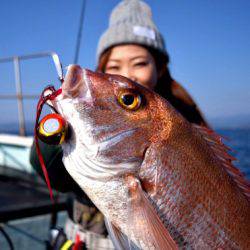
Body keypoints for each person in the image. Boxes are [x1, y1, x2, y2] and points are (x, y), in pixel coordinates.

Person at [30, 0, 209, 249]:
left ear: (160, 67)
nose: (127, 73)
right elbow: (50, 175)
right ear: (102, 70)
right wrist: (54, 139)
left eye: (140, 63)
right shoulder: (90, 121)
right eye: (114, 66)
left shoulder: (186, 124)